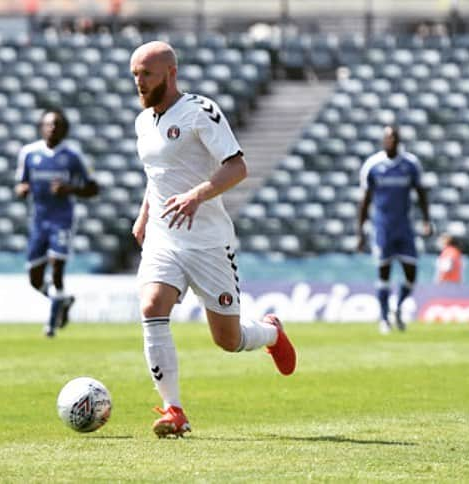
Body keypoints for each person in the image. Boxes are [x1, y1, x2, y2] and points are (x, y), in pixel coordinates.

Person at [129, 40, 296, 438]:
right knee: (152, 305)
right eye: (134, 75)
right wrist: (144, 215)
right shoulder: (142, 121)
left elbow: (237, 168)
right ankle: (174, 410)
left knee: (229, 339)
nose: (139, 83)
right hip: (163, 239)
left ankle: (271, 331)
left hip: (207, 243)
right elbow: (157, 176)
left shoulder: (200, 112)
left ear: (170, 73)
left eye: (146, 75)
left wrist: (197, 195)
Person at [14, 108, 99, 337]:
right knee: (34, 277)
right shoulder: (29, 153)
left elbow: (93, 187)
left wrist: (70, 189)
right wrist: (22, 189)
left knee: (57, 265)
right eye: (49, 124)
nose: (52, 129)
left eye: (58, 125)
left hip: (62, 219)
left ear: (65, 130)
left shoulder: (72, 156)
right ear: (41, 127)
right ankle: (62, 300)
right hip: (39, 220)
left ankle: (51, 325)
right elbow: (21, 183)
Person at [356, 125, 432, 334]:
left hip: (405, 228)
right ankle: (384, 318)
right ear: (383, 141)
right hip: (382, 229)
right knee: (384, 273)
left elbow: (421, 193)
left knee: (411, 273)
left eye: (394, 139)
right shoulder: (373, 165)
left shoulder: (410, 164)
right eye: (388, 139)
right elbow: (364, 201)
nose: (391, 142)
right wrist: (360, 232)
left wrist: (427, 220)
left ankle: (397, 308)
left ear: (398, 142)